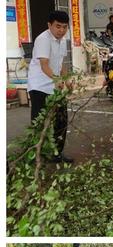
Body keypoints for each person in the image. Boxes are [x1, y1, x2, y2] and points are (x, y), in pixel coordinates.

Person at [27, 10, 73, 163]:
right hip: (39, 86)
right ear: (49, 25)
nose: (61, 30)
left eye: (64, 27)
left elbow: (61, 63)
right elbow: (44, 65)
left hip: (54, 85)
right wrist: (56, 79)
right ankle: (35, 155)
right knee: (38, 122)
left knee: (61, 119)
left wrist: (67, 79)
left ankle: (57, 153)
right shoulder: (43, 39)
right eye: (58, 26)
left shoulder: (64, 38)